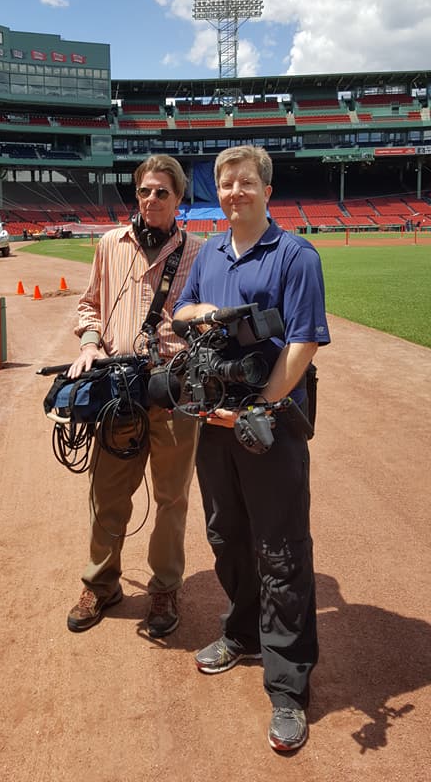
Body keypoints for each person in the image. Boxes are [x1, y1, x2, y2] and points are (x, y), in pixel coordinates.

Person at [174, 145, 330, 753]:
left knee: (282, 548)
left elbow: (302, 344)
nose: (234, 192)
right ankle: (240, 630)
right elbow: (182, 308)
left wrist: (257, 403)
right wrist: (205, 310)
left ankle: (289, 686)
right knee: (226, 535)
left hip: (268, 421)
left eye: (244, 182)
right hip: (212, 420)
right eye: (225, 183)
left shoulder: (295, 256)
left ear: (267, 189)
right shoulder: (209, 251)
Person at [65, 155, 201, 639]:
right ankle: (101, 584)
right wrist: (88, 344)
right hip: (117, 389)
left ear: (178, 199)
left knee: (171, 498)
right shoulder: (109, 245)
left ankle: (164, 587)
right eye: (144, 190)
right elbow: (88, 304)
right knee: (107, 493)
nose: (150, 199)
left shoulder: (198, 252)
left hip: (173, 390)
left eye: (162, 191)